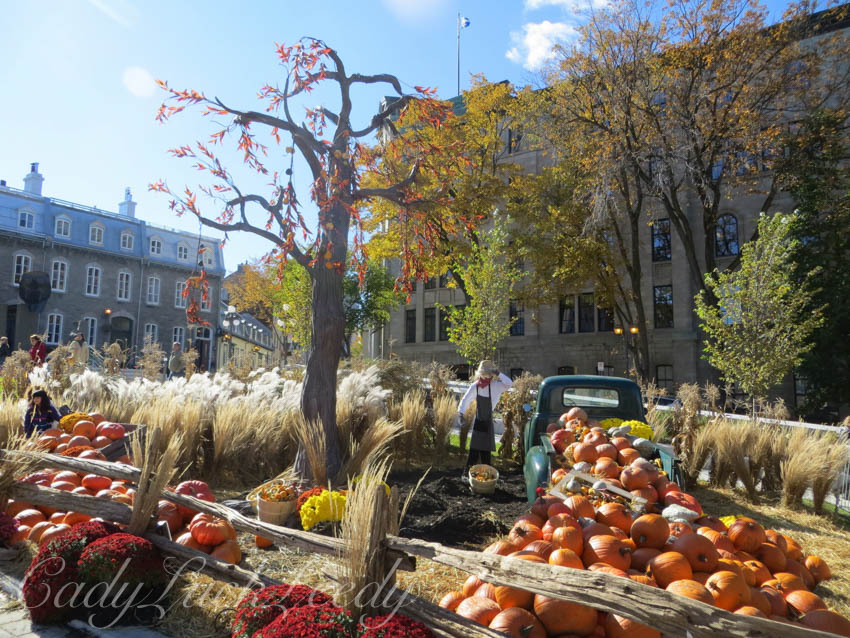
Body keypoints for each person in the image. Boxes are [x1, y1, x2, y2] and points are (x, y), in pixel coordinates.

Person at [457, 360, 514, 473]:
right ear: (480, 374)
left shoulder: (496, 386)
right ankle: (467, 473)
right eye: (483, 374)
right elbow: (465, 399)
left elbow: (509, 383)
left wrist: (499, 373)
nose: (485, 376)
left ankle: (487, 475)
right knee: (474, 450)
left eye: (488, 374)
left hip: (488, 423)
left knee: (486, 452)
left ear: (491, 374)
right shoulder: (475, 386)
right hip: (478, 421)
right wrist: (460, 413)